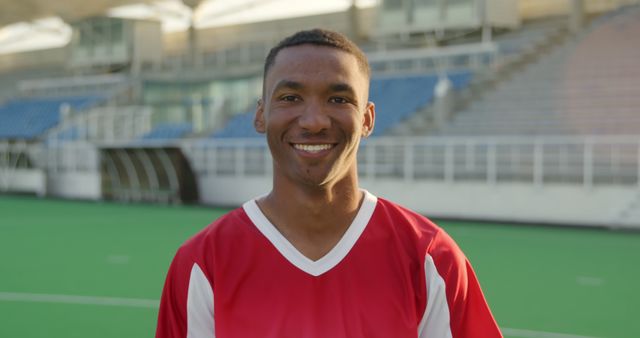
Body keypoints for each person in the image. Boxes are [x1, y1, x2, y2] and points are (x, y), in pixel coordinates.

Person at [156, 28, 502, 338]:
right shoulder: (203, 263)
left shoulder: (430, 258)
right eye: (290, 98)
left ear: (367, 119)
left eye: (338, 99)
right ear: (260, 115)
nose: (314, 121)